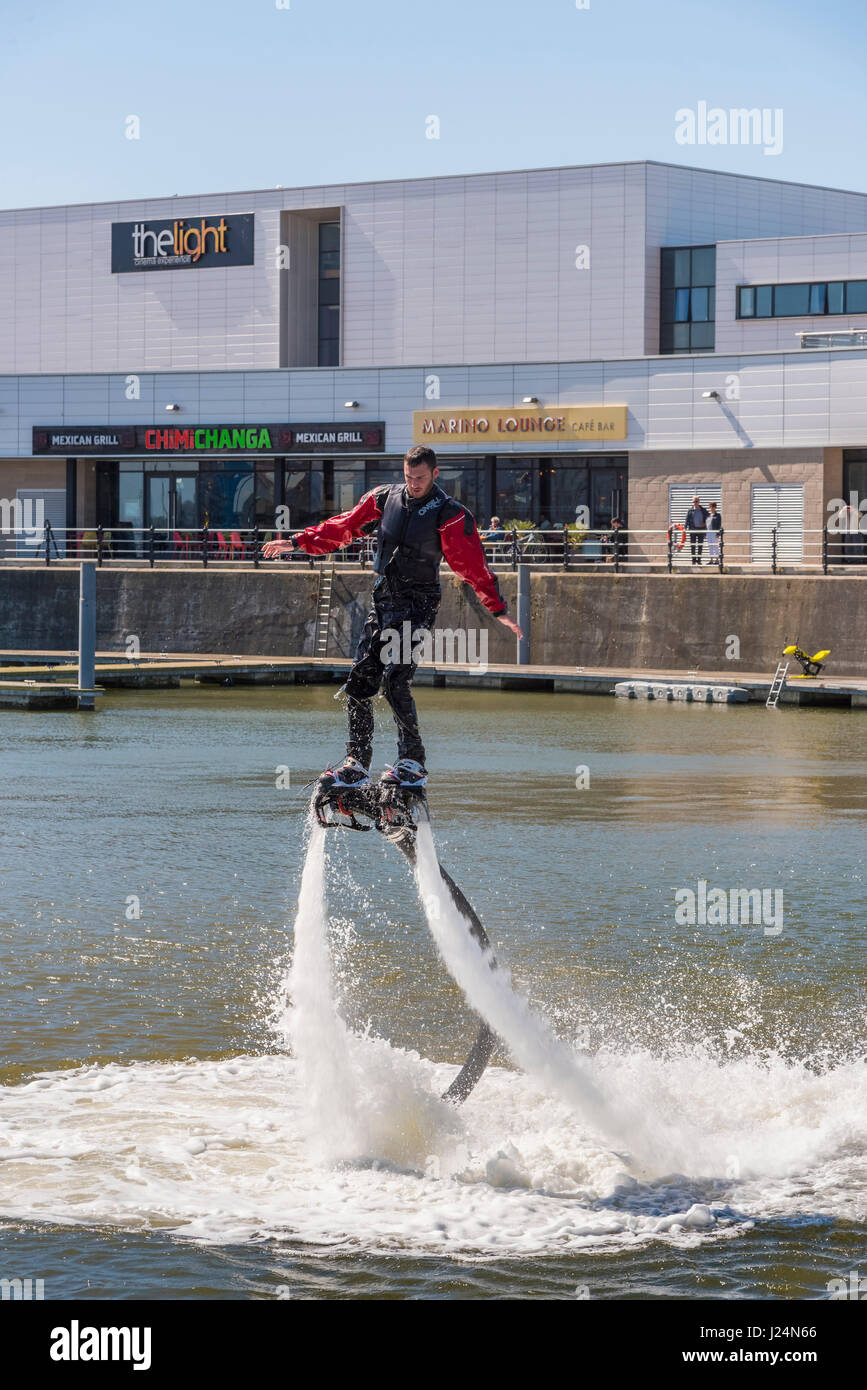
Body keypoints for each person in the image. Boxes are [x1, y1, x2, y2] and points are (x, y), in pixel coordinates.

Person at [263, 446, 522, 792]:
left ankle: (412, 761)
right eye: (409, 477)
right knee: (358, 681)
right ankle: (357, 762)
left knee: (395, 681)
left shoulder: (451, 514)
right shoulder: (385, 498)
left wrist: (498, 609)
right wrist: (297, 542)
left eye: (420, 477)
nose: (414, 483)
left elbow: (472, 566)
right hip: (384, 598)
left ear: (435, 473)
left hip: (419, 604)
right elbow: (344, 526)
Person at [685, 494, 709, 566]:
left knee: (700, 546)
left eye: (696, 501)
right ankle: (693, 561)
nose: (695, 503)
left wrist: (704, 524)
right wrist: (685, 528)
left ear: (699, 501)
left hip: (701, 530)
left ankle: (699, 560)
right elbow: (687, 520)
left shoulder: (703, 510)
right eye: (693, 502)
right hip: (692, 530)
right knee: (693, 546)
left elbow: (709, 518)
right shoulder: (690, 510)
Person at [706, 499, 722, 565]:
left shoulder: (718, 515)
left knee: (715, 546)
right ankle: (711, 559)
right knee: (710, 546)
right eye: (710, 506)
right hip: (708, 532)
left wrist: (718, 533)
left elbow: (719, 524)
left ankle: (717, 560)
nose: (711, 508)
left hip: (714, 532)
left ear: (715, 507)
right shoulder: (708, 515)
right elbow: (706, 524)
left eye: (713, 506)